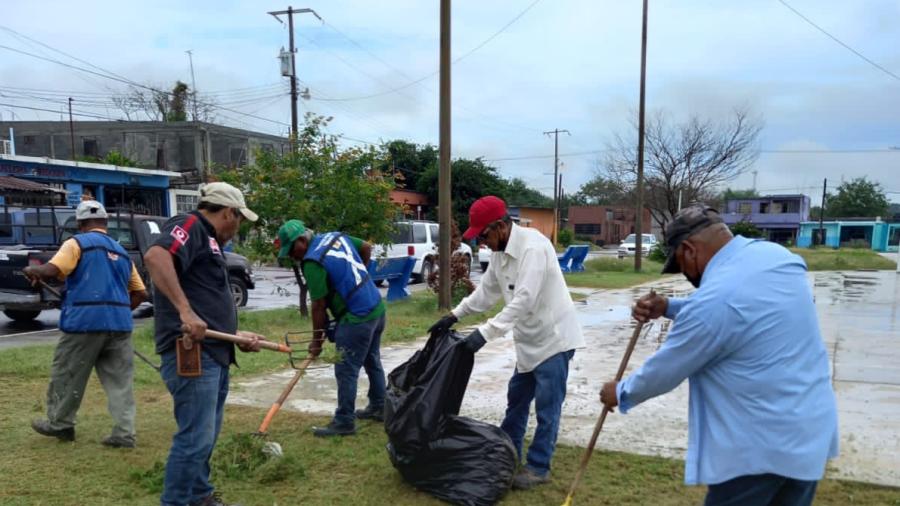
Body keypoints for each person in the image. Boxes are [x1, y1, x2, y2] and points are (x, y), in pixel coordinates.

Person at [599, 205, 839, 506]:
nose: (686, 275)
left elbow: (667, 369)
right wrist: (669, 307)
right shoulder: (773, 257)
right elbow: (739, 313)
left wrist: (620, 392)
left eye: (680, 266)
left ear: (688, 251)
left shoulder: (716, 301)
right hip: (807, 433)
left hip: (758, 449)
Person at [428, 196, 585, 490]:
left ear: (500, 226)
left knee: (548, 408)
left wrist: (484, 334)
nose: (482, 243)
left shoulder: (533, 248)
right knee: (517, 399)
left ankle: (539, 466)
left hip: (554, 339)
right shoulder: (500, 254)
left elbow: (524, 300)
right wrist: (454, 315)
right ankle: (508, 453)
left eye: (484, 236)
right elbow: (486, 293)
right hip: (528, 341)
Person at [144, 182, 264, 506]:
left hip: (215, 352)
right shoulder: (191, 225)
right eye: (239, 220)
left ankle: (199, 495)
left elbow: (207, 300)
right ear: (229, 213)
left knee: (205, 436)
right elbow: (156, 257)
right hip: (194, 354)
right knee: (195, 438)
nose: (237, 229)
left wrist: (239, 337)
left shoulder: (210, 242)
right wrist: (184, 310)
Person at [24, 200, 148, 448]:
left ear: (80, 224)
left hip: (84, 325)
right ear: (105, 223)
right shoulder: (122, 253)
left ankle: (60, 424)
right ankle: (124, 434)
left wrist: (32, 270)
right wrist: (116, 313)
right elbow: (140, 293)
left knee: (67, 374)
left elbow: (51, 270)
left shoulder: (76, 244)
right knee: (120, 383)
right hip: (120, 326)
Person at [277, 219, 386, 437]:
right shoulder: (334, 237)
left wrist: (316, 341)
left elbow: (318, 306)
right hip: (376, 308)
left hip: (357, 318)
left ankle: (344, 421)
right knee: (371, 359)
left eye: (292, 250)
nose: (292, 256)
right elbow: (366, 247)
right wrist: (358, 281)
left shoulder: (312, 261)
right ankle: (380, 406)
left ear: (302, 240)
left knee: (346, 369)